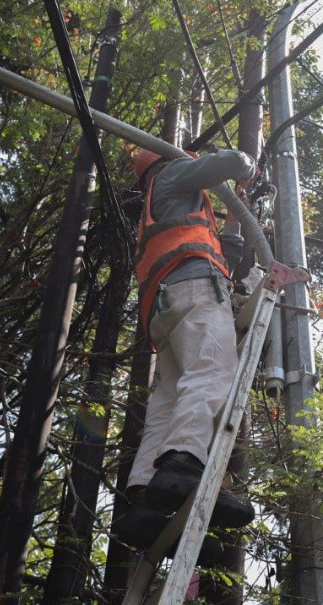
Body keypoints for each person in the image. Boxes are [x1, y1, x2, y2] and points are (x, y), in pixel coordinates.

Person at [116, 147, 258, 550]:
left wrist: (232, 222)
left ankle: (146, 493)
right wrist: (248, 165)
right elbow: (231, 162)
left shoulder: (162, 205)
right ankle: (183, 463)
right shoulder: (174, 173)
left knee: (169, 398)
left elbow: (218, 255)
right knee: (212, 370)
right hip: (195, 291)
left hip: (166, 308)